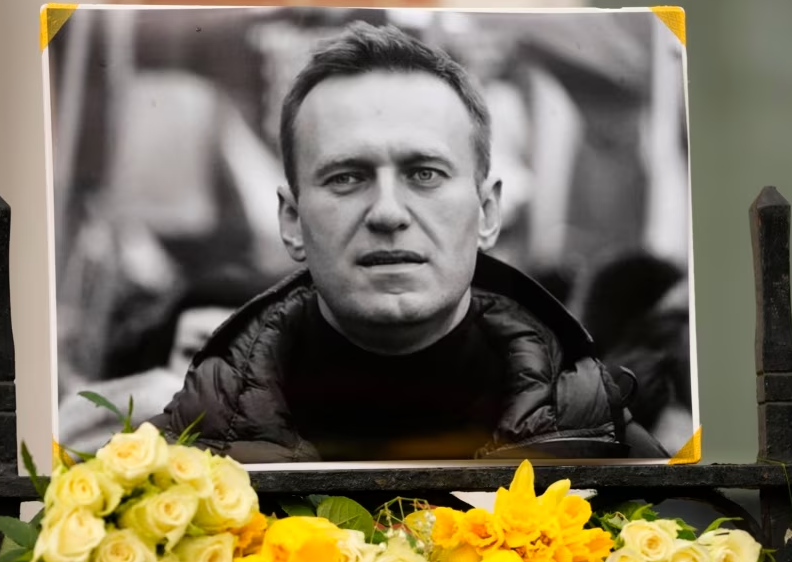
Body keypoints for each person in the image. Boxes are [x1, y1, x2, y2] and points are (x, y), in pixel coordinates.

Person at [149, 21, 668, 463]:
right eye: (347, 177)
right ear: (291, 220)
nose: (388, 213)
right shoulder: (169, 466)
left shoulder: (606, 448)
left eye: (424, 174)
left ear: (487, 213)